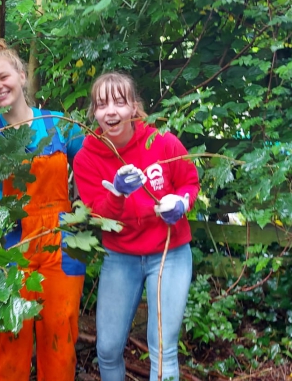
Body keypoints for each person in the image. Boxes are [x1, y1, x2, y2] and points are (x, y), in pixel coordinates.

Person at [0, 38, 86, 381]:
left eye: (3, 77)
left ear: (20, 75)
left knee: (60, 339)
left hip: (62, 245)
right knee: (9, 340)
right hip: (8, 247)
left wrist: (85, 207)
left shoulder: (60, 124)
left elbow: (92, 170)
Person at [73, 71, 200, 381]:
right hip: (120, 255)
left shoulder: (162, 141)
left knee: (163, 349)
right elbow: (99, 215)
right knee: (107, 348)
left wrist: (181, 202)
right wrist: (116, 193)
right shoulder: (87, 157)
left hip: (168, 253)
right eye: (102, 105)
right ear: (95, 114)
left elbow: (189, 181)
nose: (111, 111)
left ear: (134, 108)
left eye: (119, 101)